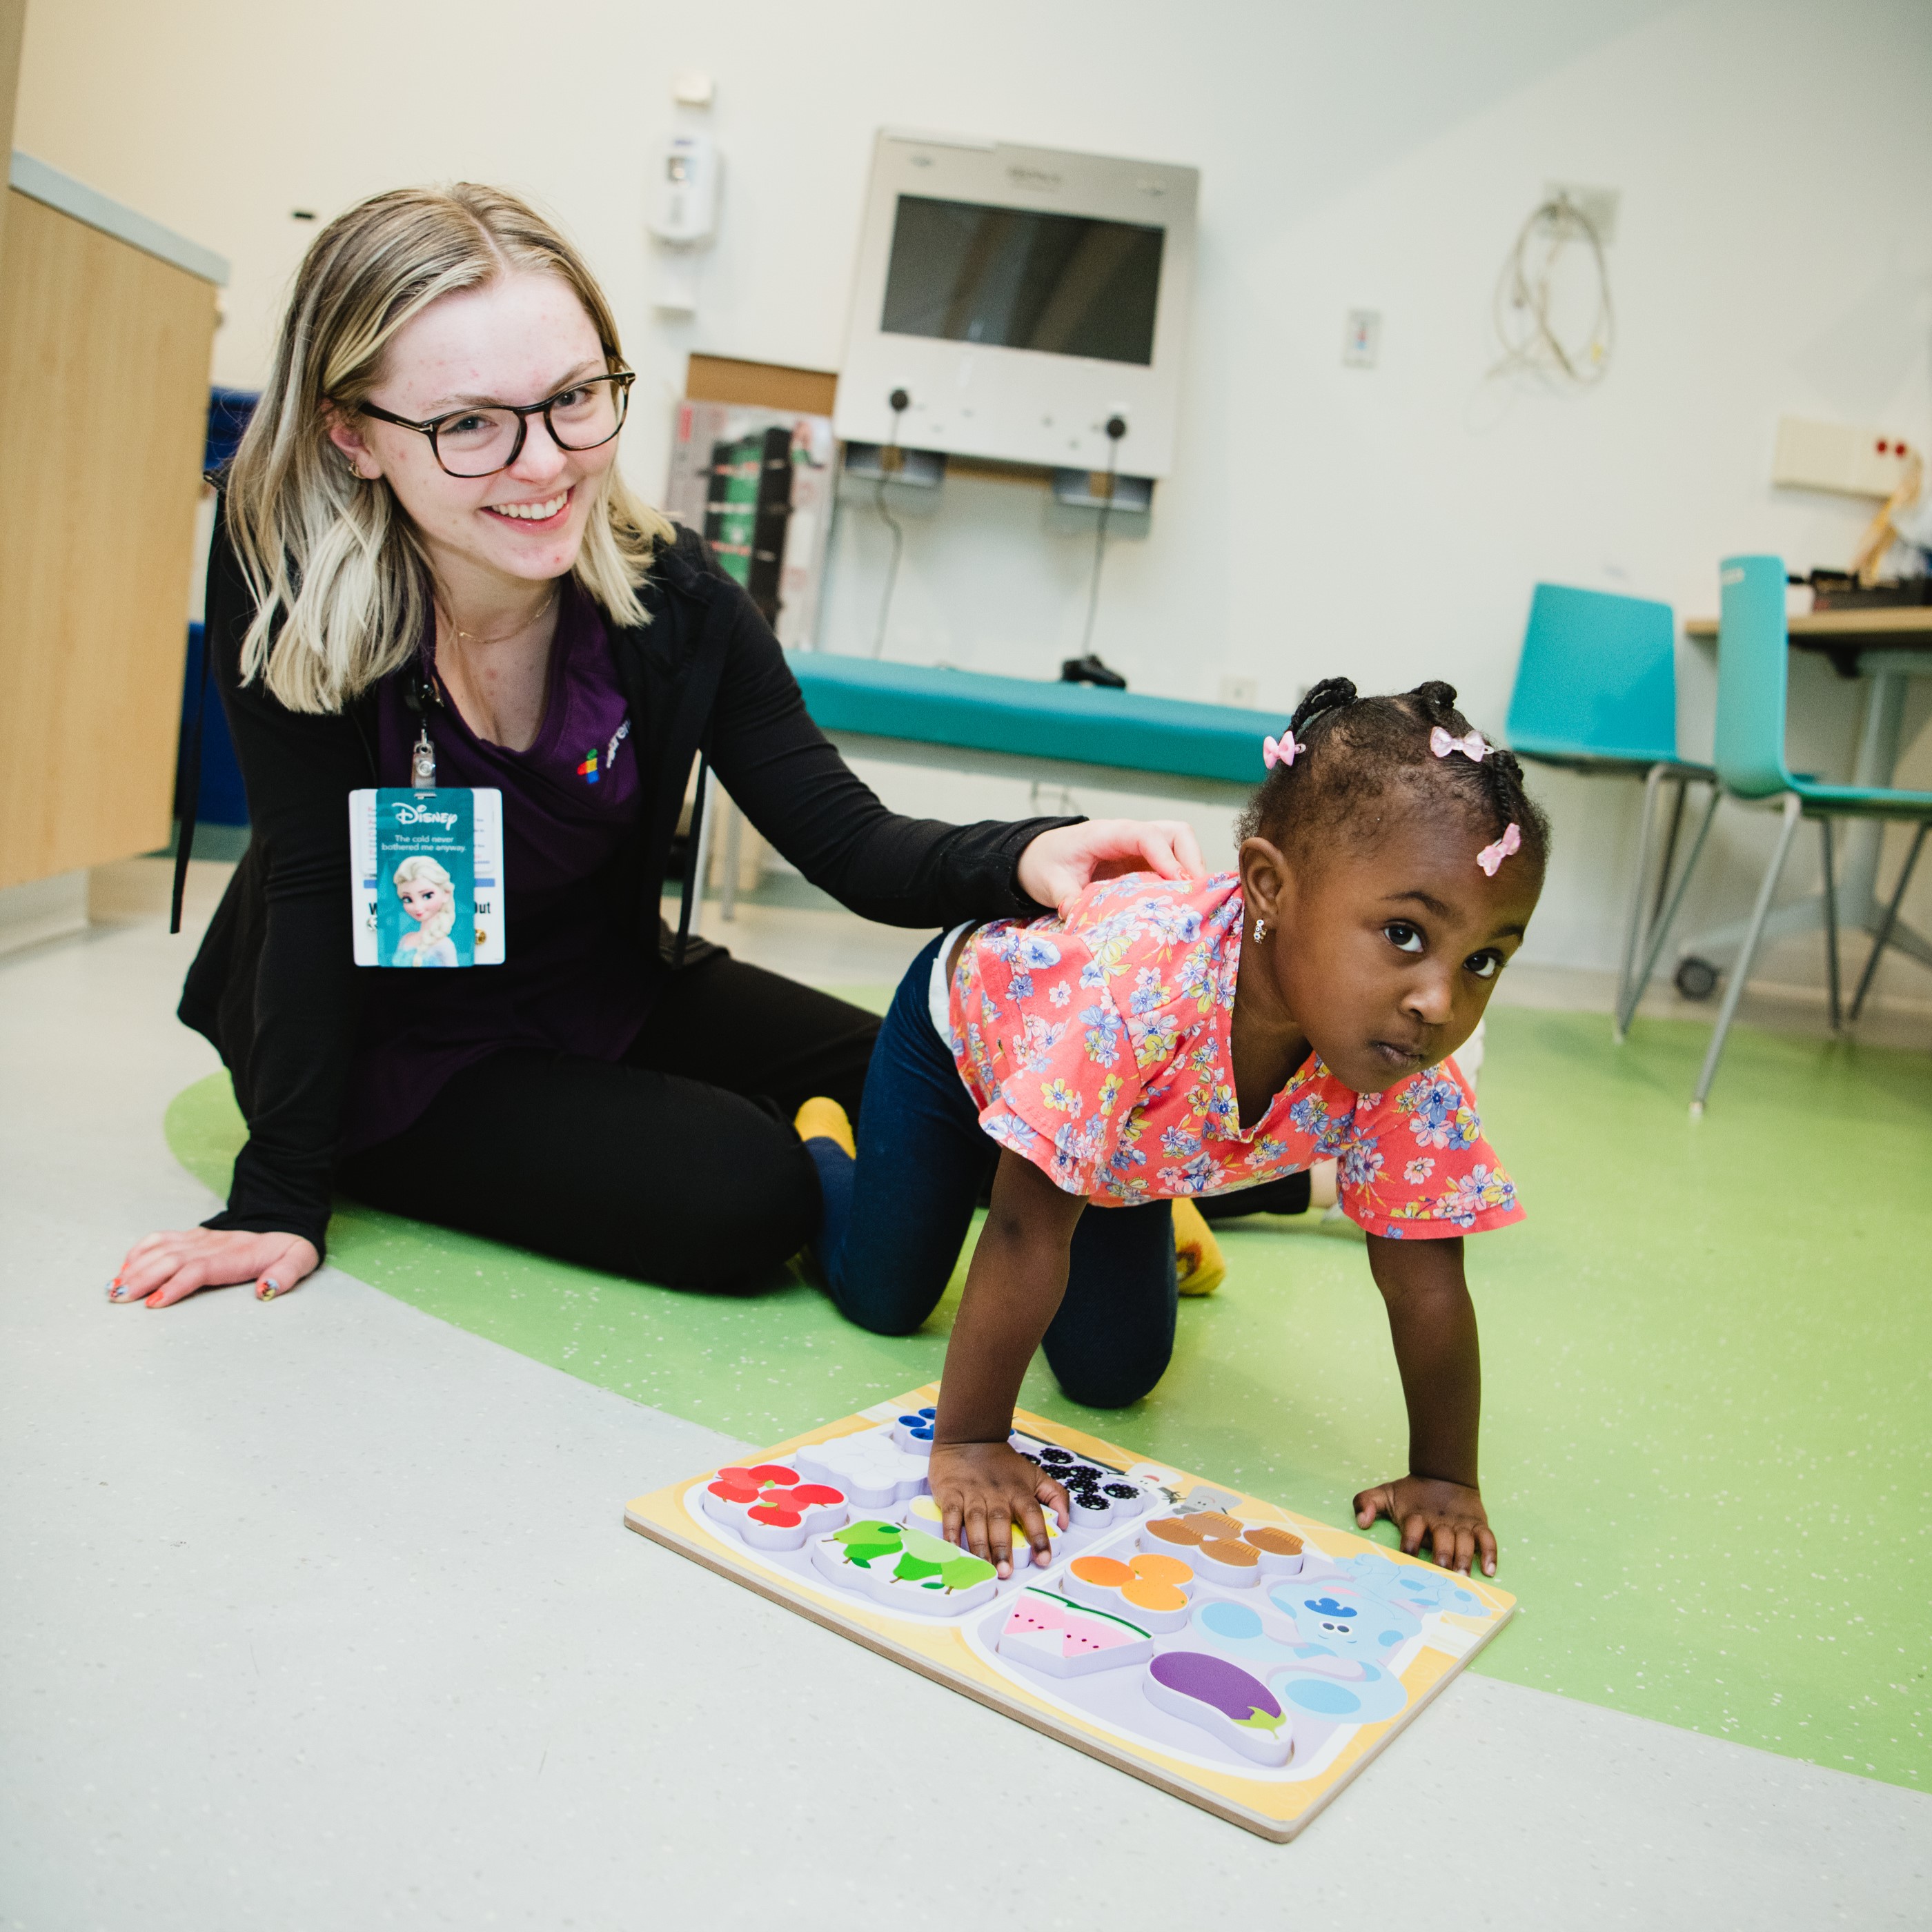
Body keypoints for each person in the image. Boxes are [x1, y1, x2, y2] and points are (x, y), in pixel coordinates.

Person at [108, 183, 1205, 1311]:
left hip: (597, 983)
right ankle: (811, 1159)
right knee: (741, 1191)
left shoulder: (672, 601)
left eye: (575, 399)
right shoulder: (287, 579)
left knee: (948, 1078)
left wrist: (1034, 852)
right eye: (470, 424)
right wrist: (278, 1195)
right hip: (396, 1042)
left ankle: (1231, 1189)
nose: (545, 465)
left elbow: (851, 841)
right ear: (354, 435)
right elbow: (312, 881)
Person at [798, 678, 1549, 1579]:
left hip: (1114, 1143)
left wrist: (1443, 1478)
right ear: (1271, 887)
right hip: (959, 1051)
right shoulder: (1138, 991)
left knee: (1115, 1374)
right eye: (1402, 933)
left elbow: (1425, 1283)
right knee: (885, 1298)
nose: (1442, 1000)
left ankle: (1148, 1189)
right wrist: (968, 1443)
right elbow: (1024, 1226)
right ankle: (823, 1144)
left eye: (1483, 960)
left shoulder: (1399, 1050)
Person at [391, 855, 460, 967]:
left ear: (446, 894)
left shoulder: (444, 945)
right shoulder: (406, 939)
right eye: (408, 899)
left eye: (427, 896)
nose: (418, 907)